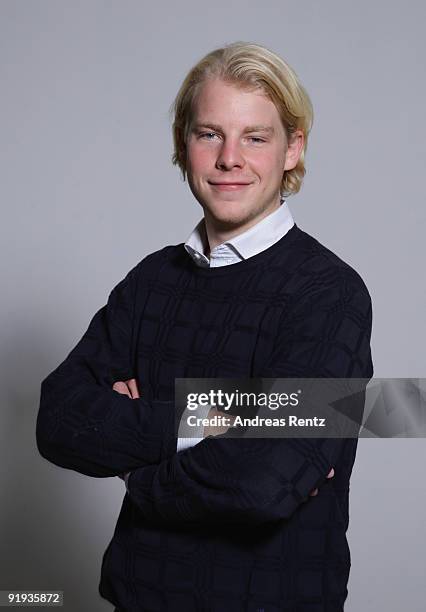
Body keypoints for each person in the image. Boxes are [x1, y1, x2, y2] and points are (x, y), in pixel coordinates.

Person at [36, 41, 373, 611]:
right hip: (138, 599)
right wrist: (208, 425)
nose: (229, 158)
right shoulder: (150, 281)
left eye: (256, 137)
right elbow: (59, 419)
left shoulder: (329, 293)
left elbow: (264, 482)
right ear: (183, 144)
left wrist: (135, 467)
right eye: (209, 133)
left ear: (293, 148)